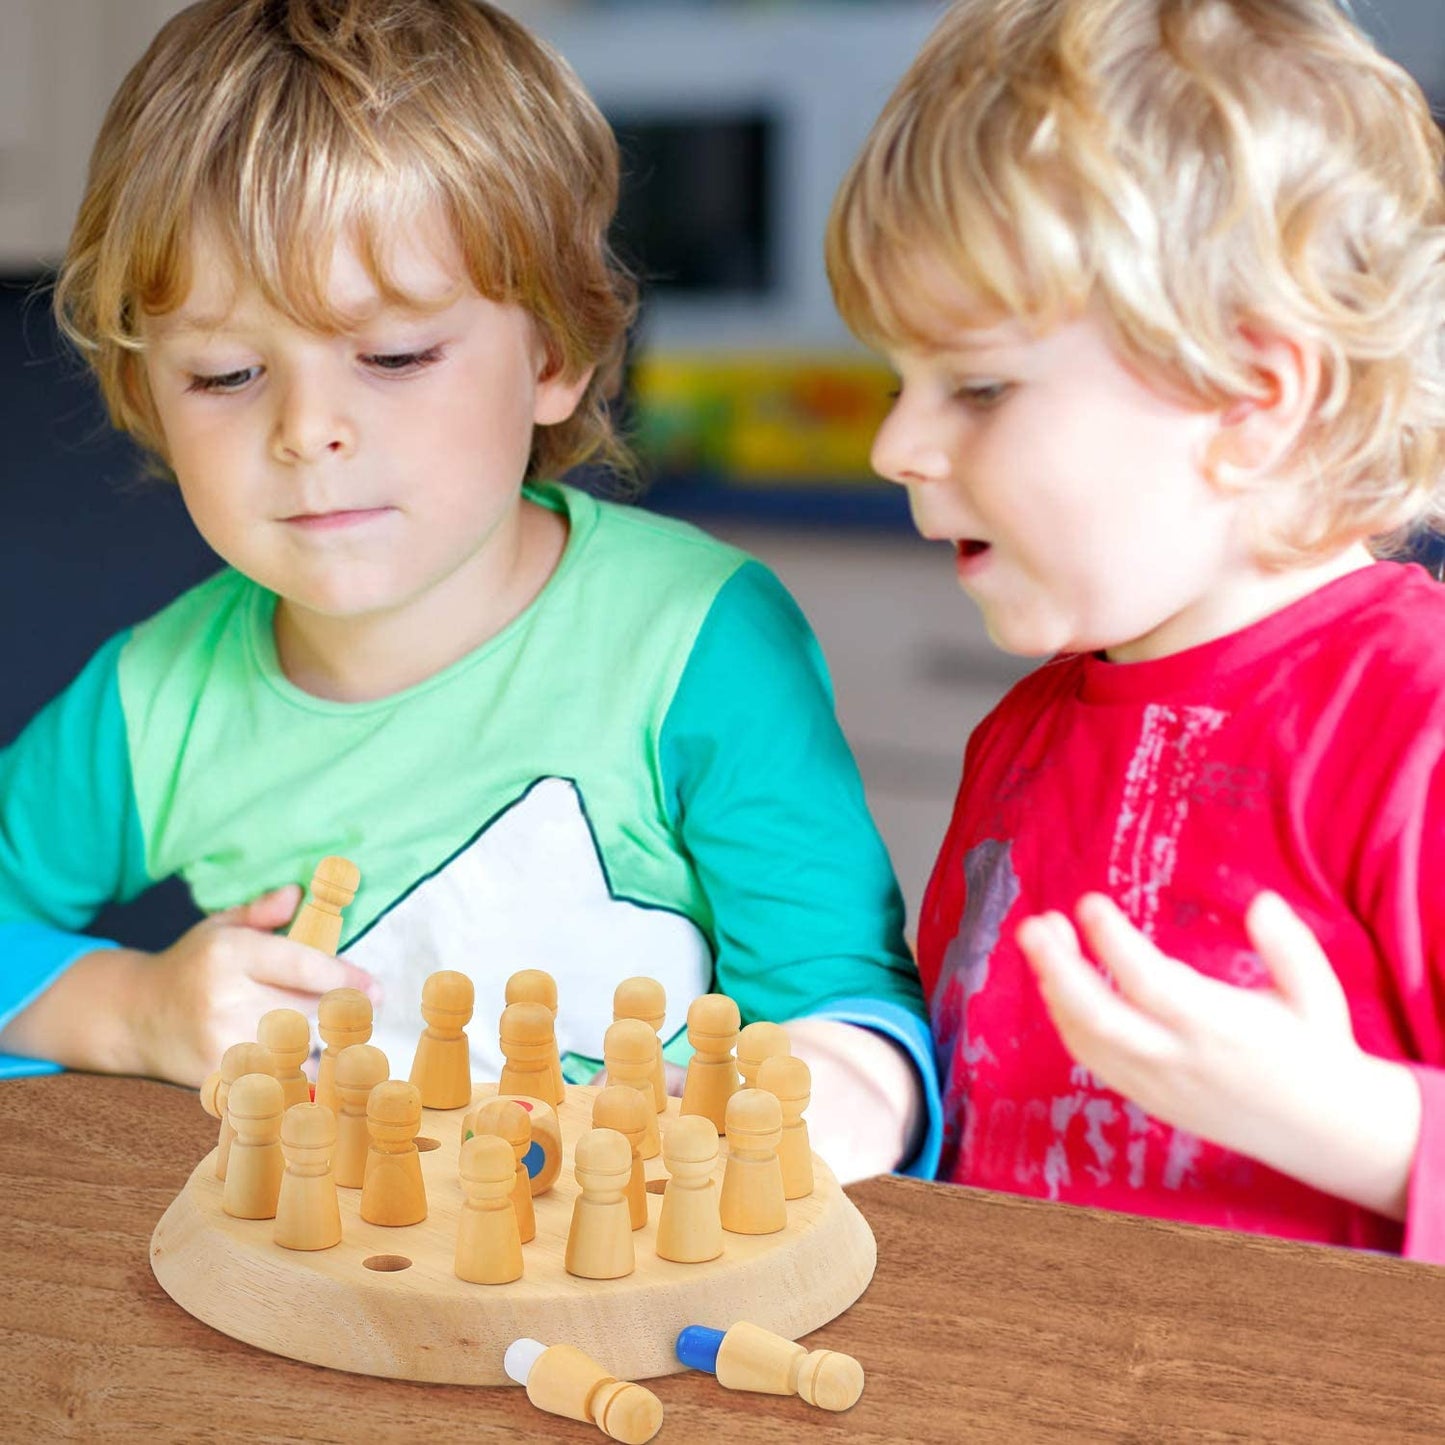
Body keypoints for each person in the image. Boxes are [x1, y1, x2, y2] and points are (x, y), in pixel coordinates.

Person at [0, 0, 939, 1182]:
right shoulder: (153, 703)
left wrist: (834, 1097)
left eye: (392, 357)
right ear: (147, 396)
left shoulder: (697, 641)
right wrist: (133, 1008)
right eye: (226, 373)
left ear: (553, 353)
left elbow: (844, 1013)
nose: (308, 430)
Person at [826, 0, 1445, 1252]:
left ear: (1249, 400)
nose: (895, 445)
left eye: (978, 386)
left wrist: (1365, 1131)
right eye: (902, 381)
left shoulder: (1414, 721)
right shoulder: (1026, 733)